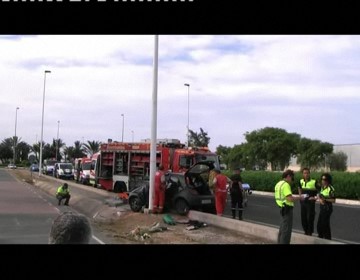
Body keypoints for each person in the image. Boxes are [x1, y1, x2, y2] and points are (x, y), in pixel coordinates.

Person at [274, 169, 304, 244]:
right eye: (292, 178)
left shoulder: (278, 184)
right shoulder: (286, 185)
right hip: (287, 210)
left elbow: (285, 196)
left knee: (282, 229)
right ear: (288, 176)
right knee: (286, 231)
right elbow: (289, 198)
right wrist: (300, 197)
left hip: (281, 208)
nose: (292, 180)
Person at [298, 167, 319, 236]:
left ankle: (310, 232)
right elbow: (299, 188)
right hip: (303, 202)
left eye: (307, 173)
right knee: (303, 218)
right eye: (304, 173)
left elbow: (320, 191)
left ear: (309, 173)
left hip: (310, 203)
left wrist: (315, 198)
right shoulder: (301, 181)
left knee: (310, 218)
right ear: (302, 174)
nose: (306, 174)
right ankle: (305, 231)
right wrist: (300, 196)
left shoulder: (314, 181)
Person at [316, 172, 336, 240]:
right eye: (322, 179)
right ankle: (320, 237)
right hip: (322, 207)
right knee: (319, 224)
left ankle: (327, 239)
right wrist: (319, 199)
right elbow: (319, 195)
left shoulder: (331, 189)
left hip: (327, 208)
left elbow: (333, 200)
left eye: (325, 179)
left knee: (325, 224)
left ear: (328, 180)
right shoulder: (322, 187)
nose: (323, 181)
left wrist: (325, 200)